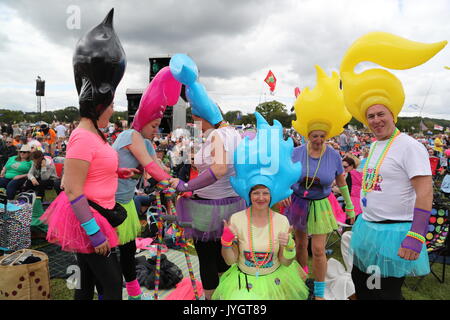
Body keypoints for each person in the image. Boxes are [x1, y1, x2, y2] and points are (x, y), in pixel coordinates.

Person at [339, 31, 445, 299]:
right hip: (368, 228)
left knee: (382, 294)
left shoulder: (410, 146)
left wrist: (417, 235)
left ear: (393, 114)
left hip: (393, 231)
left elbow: (425, 192)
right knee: (361, 286)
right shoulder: (374, 145)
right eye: (370, 116)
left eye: (381, 114)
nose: (376, 120)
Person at [41, 9, 133, 300]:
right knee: (113, 287)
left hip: (97, 213)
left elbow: (90, 170)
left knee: (86, 285)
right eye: (112, 103)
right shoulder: (82, 136)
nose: (114, 110)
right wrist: (94, 233)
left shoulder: (95, 133)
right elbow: (71, 188)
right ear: (99, 103)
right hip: (89, 219)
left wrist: (117, 172)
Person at [169, 54, 246, 300]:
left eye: (196, 119)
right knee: (224, 254)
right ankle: (226, 295)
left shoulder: (216, 136)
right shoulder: (233, 133)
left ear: (203, 116)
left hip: (210, 207)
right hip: (231, 203)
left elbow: (220, 169)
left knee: (208, 258)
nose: (196, 125)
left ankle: (211, 301)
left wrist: (187, 184)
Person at [212, 112, 309, 300]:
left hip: (275, 283)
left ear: (272, 195)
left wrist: (289, 245)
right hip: (243, 283)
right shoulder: (237, 219)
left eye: (265, 193)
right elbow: (230, 260)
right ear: (249, 195)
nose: (261, 197)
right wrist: (225, 243)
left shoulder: (281, 221)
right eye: (256, 192)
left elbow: (286, 262)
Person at [284, 65, 356, 300]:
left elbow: (341, 181)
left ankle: (320, 292)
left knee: (318, 249)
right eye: (314, 135)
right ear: (307, 135)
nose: (318, 139)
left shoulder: (334, 155)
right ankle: (303, 281)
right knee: (300, 245)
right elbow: (285, 175)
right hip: (298, 203)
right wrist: (283, 191)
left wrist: (350, 205)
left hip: (321, 205)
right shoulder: (296, 152)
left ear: (327, 136)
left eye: (322, 136)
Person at [112, 65, 181, 300]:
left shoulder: (147, 143)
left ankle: (133, 294)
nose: (156, 130)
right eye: (153, 125)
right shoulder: (130, 136)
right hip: (108, 203)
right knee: (111, 253)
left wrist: (176, 184)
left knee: (129, 250)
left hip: (126, 202)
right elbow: (150, 167)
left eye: (158, 125)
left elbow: (158, 170)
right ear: (141, 122)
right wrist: (177, 184)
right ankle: (110, 291)